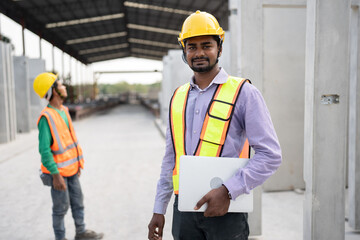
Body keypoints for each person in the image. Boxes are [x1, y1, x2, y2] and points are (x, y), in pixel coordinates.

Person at [148, 10, 282, 240]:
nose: (199, 53)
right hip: (185, 212)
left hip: (227, 211)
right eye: (192, 47)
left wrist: (229, 191)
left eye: (206, 45)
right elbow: (171, 158)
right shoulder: (178, 97)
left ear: (219, 48)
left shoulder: (244, 93)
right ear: (184, 52)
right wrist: (159, 208)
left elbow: (270, 155)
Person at [33, 72, 104, 240]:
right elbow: (44, 150)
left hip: (72, 170)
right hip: (58, 174)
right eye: (60, 85)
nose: (64, 87)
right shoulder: (46, 117)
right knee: (60, 209)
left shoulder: (64, 111)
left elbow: (70, 141)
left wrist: (79, 163)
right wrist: (55, 175)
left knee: (78, 203)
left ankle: (81, 232)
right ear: (54, 91)